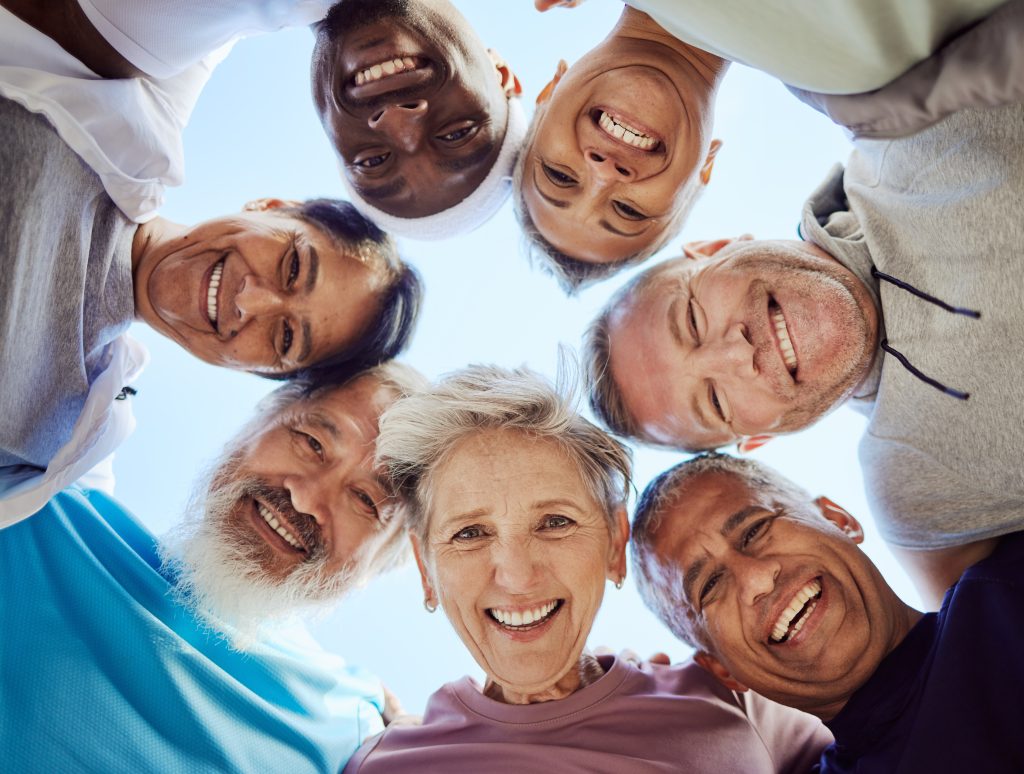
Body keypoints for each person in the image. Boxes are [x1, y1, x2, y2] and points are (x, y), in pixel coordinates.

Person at [585, 99, 1024, 607]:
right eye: (717, 402)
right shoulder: (919, 495)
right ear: (759, 437)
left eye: (692, 320)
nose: (736, 355)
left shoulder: (900, 123)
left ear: (715, 246)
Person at [344, 365, 831, 772]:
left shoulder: (730, 700)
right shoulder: (387, 763)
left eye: (555, 522)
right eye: (469, 534)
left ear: (614, 546)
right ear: (427, 573)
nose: (516, 576)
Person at [0, 93, 421, 525]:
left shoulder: (58, 438)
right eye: (293, 265)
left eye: (286, 336)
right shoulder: (83, 123)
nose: (249, 301)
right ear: (274, 208)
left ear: (260, 372)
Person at [0, 362, 428, 771]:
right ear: (257, 421)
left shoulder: (353, 734)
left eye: (366, 501)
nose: (305, 498)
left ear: (385, 563)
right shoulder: (36, 505)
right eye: (311, 442)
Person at [516, 0, 1011, 291]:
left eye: (560, 176)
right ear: (704, 167)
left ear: (546, 93)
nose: (604, 172)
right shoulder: (873, 97)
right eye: (627, 210)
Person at [629, 453, 1024, 772]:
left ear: (840, 520)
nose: (757, 580)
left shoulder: (1008, 590)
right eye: (710, 586)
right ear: (721, 669)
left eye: (754, 530)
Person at [0, 0, 526, 237]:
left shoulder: (147, 35)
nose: (399, 121)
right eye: (457, 133)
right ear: (503, 73)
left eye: (372, 160)